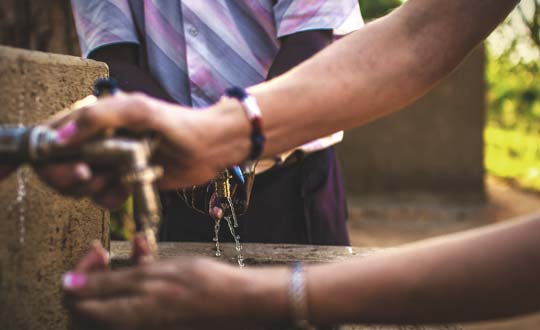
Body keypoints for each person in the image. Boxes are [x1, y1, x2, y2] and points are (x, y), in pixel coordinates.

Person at [8, 0, 536, 328]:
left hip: (295, 168)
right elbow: (420, 34)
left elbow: (327, 39)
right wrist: (213, 138)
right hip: (182, 171)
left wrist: (276, 294)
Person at [43, 0, 363, 246]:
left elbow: (310, 43)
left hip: (294, 175)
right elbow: (112, 57)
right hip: (181, 181)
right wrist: (192, 143)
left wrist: (214, 142)